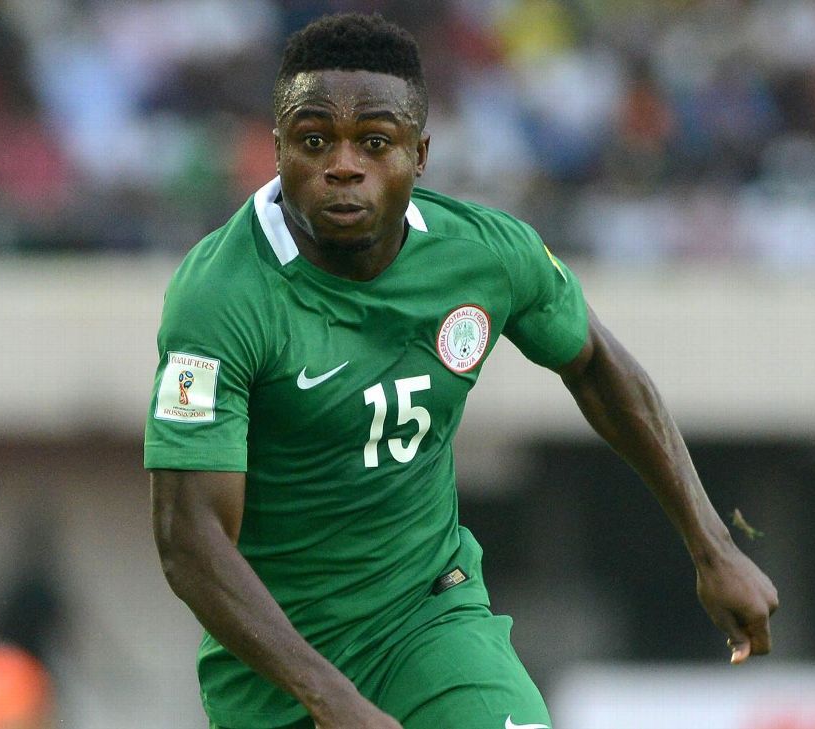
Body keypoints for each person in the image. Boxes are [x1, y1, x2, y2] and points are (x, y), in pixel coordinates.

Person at [144, 13, 779, 729]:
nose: (343, 164)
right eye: (314, 140)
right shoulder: (219, 298)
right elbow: (189, 537)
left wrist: (712, 547)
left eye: (374, 142)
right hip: (275, 673)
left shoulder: (482, 254)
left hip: (429, 619)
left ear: (419, 155)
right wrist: (333, 700)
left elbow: (597, 363)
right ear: (278, 148)